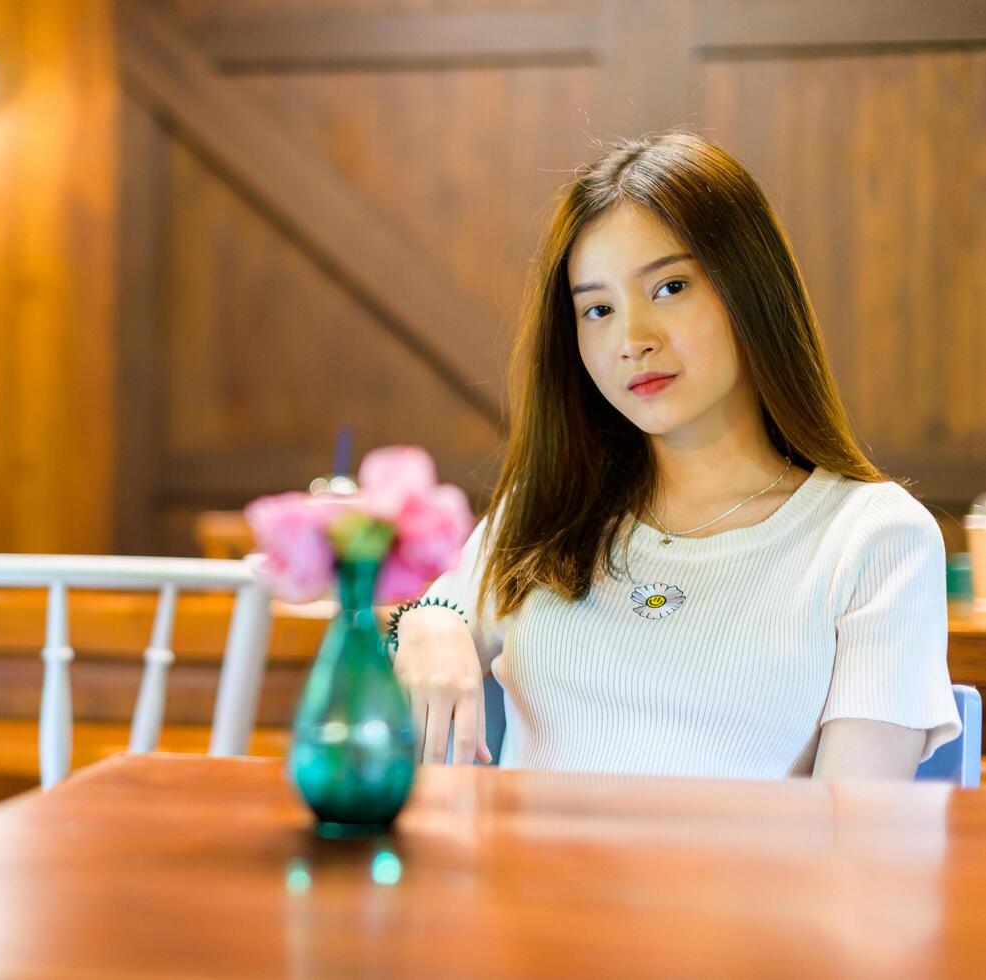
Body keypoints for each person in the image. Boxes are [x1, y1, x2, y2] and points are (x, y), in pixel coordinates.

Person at [390, 130, 959, 780]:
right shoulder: (545, 510)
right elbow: (440, 609)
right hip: (523, 878)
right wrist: (427, 623)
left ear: (749, 288)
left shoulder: (872, 538)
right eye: (597, 309)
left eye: (668, 289)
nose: (631, 339)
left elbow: (857, 842)